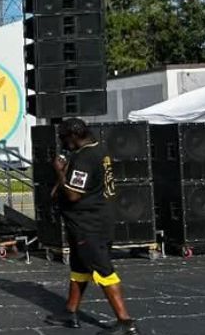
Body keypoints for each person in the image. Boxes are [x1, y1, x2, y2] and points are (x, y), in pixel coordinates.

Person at [44, 118, 137, 334]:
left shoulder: (85, 159)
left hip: (89, 225)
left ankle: (126, 323)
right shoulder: (98, 149)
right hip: (94, 220)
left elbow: (74, 194)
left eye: (63, 138)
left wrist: (58, 170)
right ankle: (70, 311)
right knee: (79, 267)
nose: (62, 143)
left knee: (103, 269)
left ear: (74, 136)